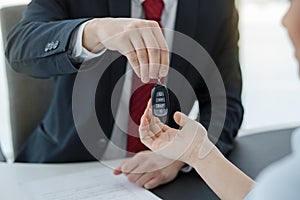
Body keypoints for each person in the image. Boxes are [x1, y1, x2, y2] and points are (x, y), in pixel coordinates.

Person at [5, 0, 243, 189]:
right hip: (62, 168)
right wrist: (94, 31)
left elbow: (225, 103)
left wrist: (182, 155)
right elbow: (20, 48)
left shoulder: (218, 5)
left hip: (160, 181)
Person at [139, 0, 300, 198]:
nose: (284, 20)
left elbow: (226, 100)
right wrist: (195, 151)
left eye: (292, 2)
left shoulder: (285, 184)